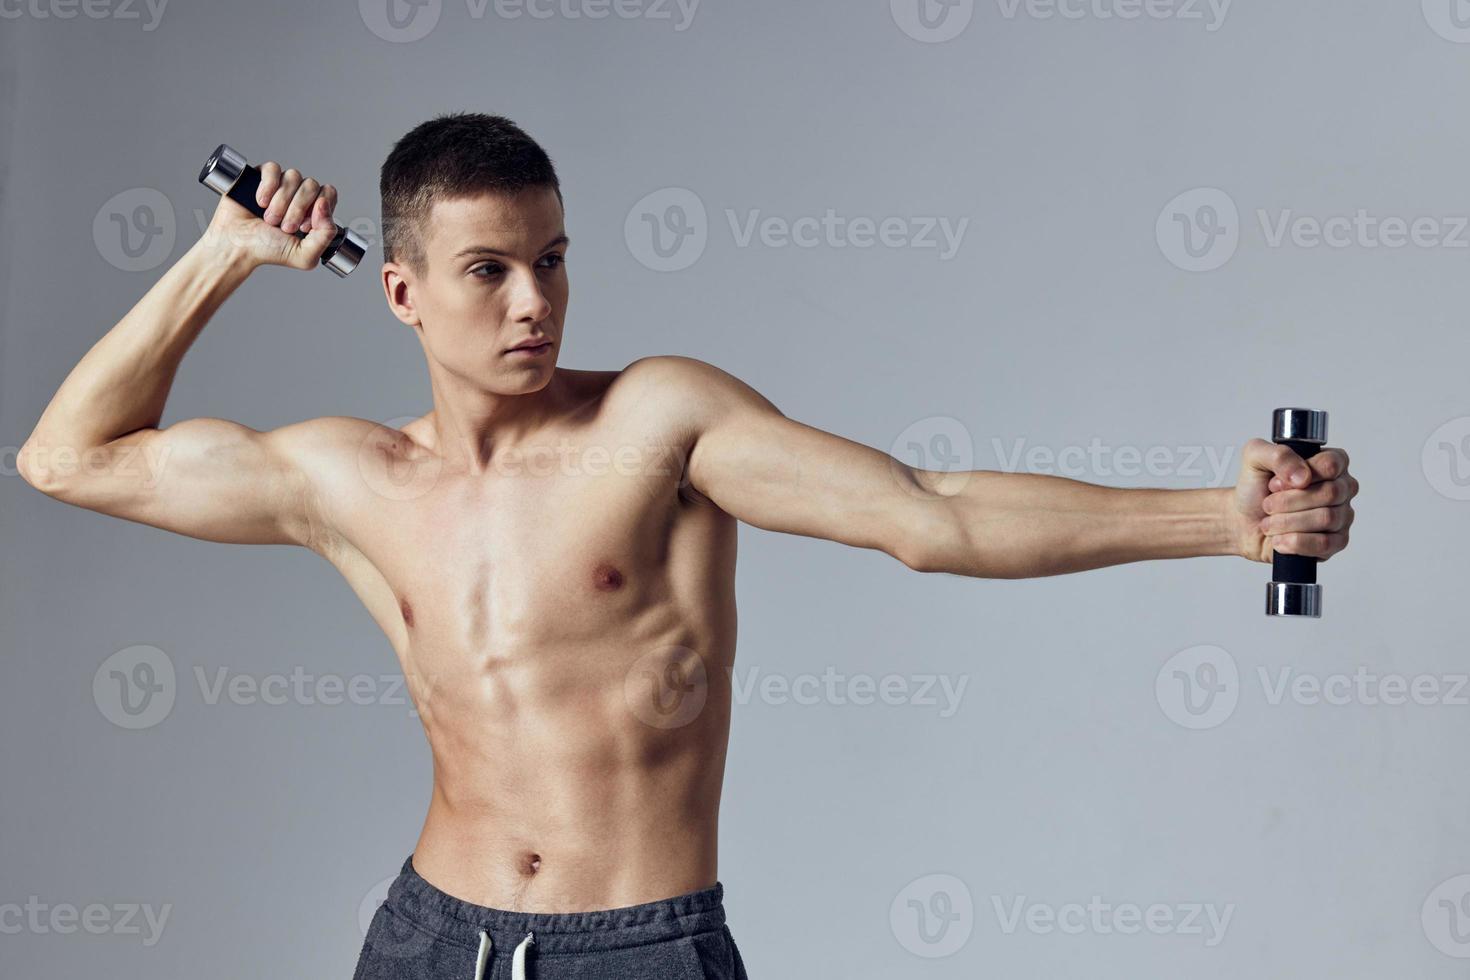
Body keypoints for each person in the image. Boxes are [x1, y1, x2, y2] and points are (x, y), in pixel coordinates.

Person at [16, 113, 1358, 980]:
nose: (535, 300)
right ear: (402, 291)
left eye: (552, 259)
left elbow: (928, 512)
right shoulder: (347, 477)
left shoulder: (658, 423)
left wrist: (1221, 521)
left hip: (638, 949)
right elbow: (65, 459)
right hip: (427, 939)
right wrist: (225, 254)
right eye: (489, 270)